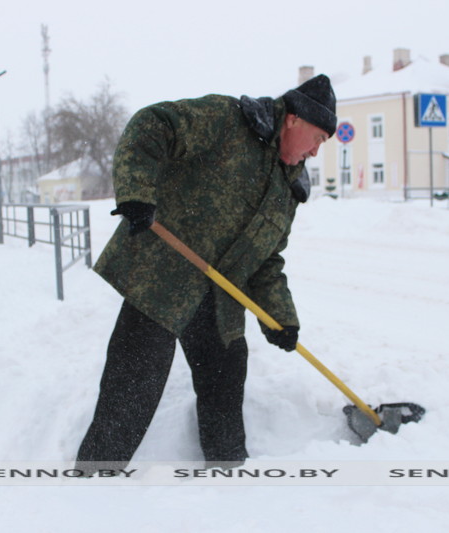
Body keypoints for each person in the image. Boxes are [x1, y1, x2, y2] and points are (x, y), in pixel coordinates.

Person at [76, 74, 337, 473]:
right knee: (133, 384)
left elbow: (266, 260)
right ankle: (94, 476)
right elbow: (153, 124)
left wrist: (282, 318)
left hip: (219, 297)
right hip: (163, 278)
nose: (316, 151)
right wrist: (137, 193)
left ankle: (227, 475)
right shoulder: (229, 121)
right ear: (293, 119)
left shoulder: (288, 189)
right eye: (317, 138)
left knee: (225, 380)